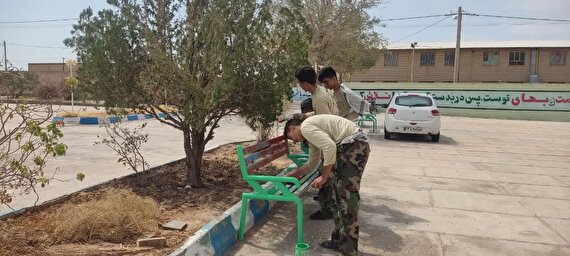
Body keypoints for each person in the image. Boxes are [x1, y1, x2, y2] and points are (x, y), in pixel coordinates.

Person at [284, 115, 370, 256]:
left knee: (347, 199)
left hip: (353, 145)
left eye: (291, 137)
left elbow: (329, 146)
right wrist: (294, 174)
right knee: (337, 196)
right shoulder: (311, 135)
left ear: (292, 127)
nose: (294, 141)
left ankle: (349, 251)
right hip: (350, 146)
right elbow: (312, 163)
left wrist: (324, 176)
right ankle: (338, 241)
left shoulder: (306, 127)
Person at [295, 66, 337, 220]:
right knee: (325, 172)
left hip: (330, 140)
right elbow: (321, 114)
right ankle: (329, 205)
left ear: (306, 83)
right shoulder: (320, 93)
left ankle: (327, 210)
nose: (300, 86)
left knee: (326, 174)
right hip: (332, 137)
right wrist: (306, 115)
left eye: (300, 83)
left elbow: (325, 123)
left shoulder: (318, 98)